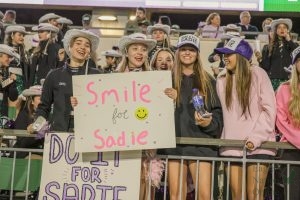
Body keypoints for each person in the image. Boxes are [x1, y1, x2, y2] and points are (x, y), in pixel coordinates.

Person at [162, 34, 223, 200]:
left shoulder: (208, 80)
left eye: (191, 50)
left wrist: (209, 123)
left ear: (197, 54)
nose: (187, 53)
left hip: (201, 144)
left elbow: (217, 113)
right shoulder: (166, 79)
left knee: (204, 196)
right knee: (176, 195)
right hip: (175, 144)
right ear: (177, 52)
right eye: (183, 49)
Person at [214, 37, 276, 200]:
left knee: (254, 195)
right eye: (223, 55)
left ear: (241, 56)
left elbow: (269, 110)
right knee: (237, 196)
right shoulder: (221, 80)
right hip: (231, 146)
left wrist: (255, 138)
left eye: (229, 54)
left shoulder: (258, 74)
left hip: (259, 146)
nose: (225, 58)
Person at [29, 29, 101, 133]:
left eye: (87, 45)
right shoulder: (54, 75)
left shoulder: (96, 75)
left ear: (89, 51)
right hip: (59, 134)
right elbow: (44, 107)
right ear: (69, 47)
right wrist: (36, 126)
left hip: (88, 134)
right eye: (78, 43)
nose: (82, 47)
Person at [117, 33, 158, 200]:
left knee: (143, 183)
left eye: (143, 49)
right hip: (120, 142)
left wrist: (171, 95)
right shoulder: (113, 79)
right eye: (135, 48)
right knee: (121, 184)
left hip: (145, 142)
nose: (139, 52)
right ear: (127, 52)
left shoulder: (156, 80)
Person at [276, 46, 300, 200]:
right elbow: (281, 122)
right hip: (291, 152)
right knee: (293, 196)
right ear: (295, 64)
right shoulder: (284, 89)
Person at [256, 18, 298, 90]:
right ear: (276, 30)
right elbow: (266, 66)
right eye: (279, 27)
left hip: (289, 79)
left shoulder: (293, 45)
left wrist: (289, 40)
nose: (282, 29)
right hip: (273, 80)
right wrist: (260, 59)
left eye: (284, 27)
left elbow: (298, 54)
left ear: (287, 30)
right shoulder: (268, 47)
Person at [12, 84, 43, 158]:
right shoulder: (23, 115)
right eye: (40, 99)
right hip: (23, 154)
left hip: (42, 152)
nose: (42, 102)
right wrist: (38, 133)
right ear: (32, 101)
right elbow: (22, 142)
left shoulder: (48, 116)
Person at [0, 44, 20, 119]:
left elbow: (13, 97)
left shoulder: (7, 72)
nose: (10, 59)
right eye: (8, 57)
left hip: (3, 113)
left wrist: (12, 82)